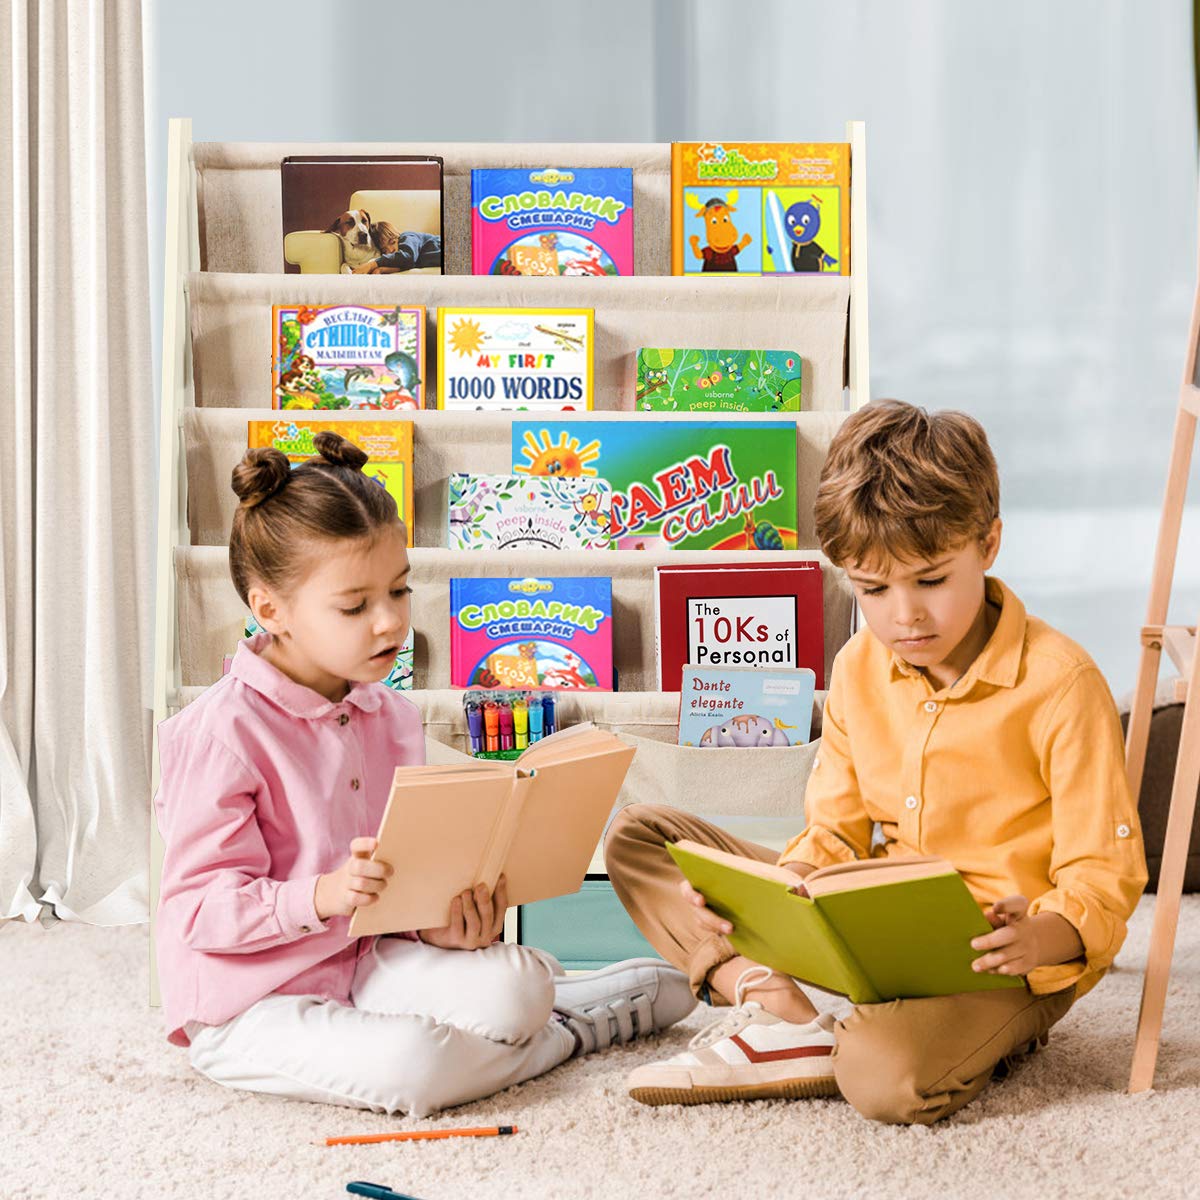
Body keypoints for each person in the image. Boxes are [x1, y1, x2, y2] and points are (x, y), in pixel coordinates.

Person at [606, 400, 1148, 1124]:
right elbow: (833, 835)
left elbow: (1103, 878)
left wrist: (1040, 937)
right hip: (868, 929)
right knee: (640, 839)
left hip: (996, 960)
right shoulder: (862, 664)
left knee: (884, 1081)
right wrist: (774, 895)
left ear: (987, 544)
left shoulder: (1061, 684)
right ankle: (778, 1009)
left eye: (929, 581)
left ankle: (911, 1036)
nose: (904, 617)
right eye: (872, 590)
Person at [154, 430, 693, 1117]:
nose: (389, 623)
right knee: (413, 1065)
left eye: (400, 590)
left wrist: (442, 930)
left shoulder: (390, 715)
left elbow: (394, 895)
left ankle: (542, 1012)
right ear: (269, 610)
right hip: (252, 1004)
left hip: (366, 965)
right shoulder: (221, 734)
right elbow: (197, 911)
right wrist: (318, 895)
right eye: (355, 606)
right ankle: (562, 1035)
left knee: (518, 983)